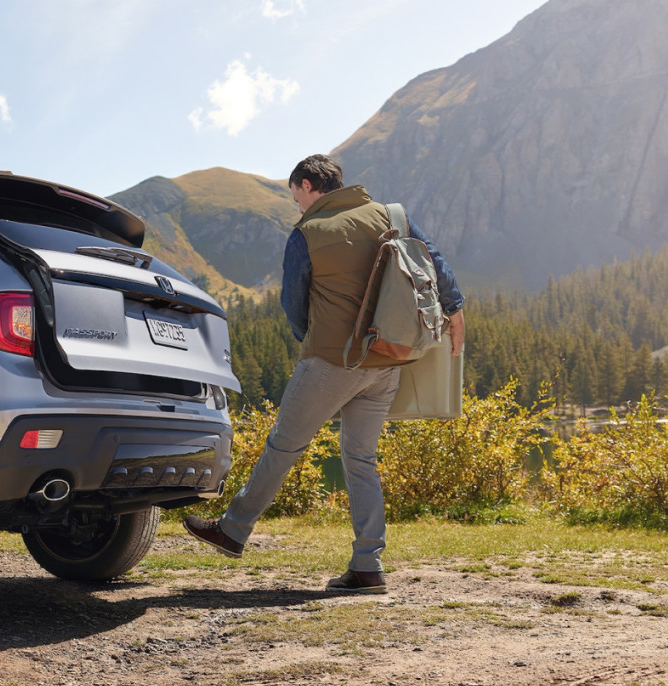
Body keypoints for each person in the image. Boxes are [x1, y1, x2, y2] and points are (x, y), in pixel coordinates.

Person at [182, 153, 465, 594]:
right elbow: (434, 261)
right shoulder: (393, 215)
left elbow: (293, 304)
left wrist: (309, 342)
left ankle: (233, 530)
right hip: (387, 362)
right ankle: (368, 566)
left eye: (297, 196)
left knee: (284, 445)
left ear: (309, 185)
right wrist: (457, 307)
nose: (297, 205)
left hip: (333, 360)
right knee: (360, 460)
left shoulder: (308, 232)